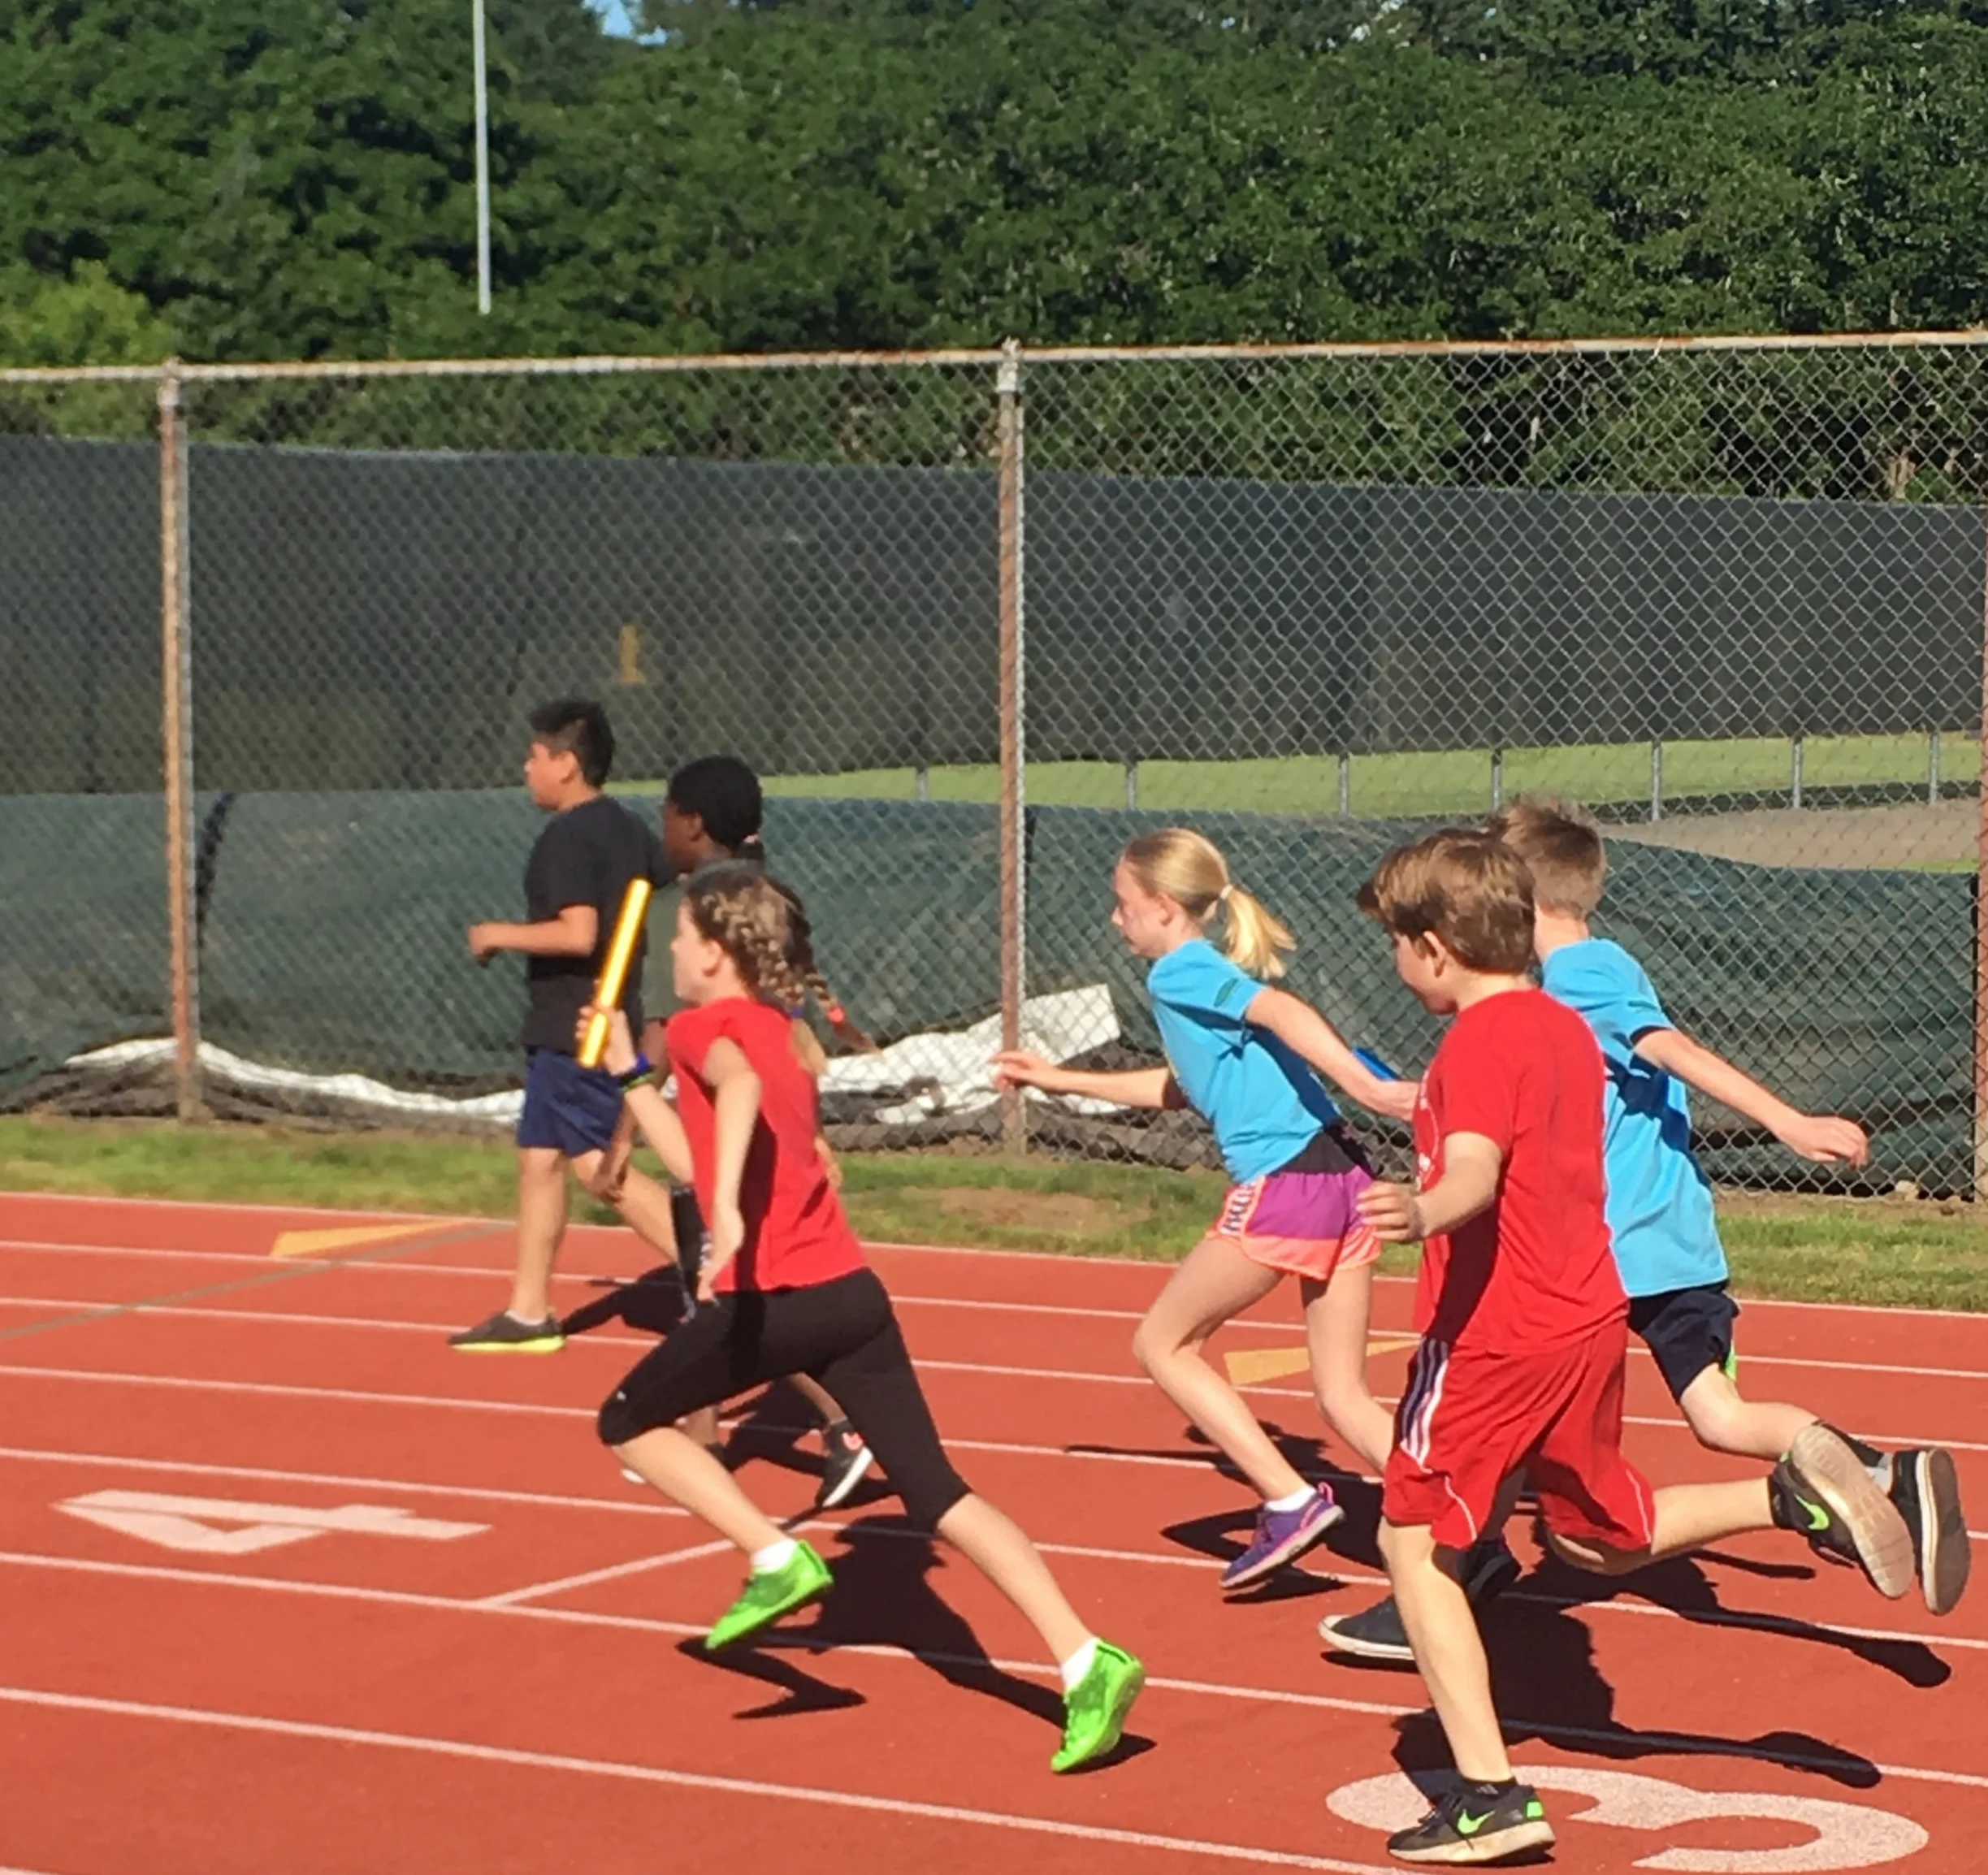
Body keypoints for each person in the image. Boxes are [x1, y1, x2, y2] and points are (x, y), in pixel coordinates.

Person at [1351, 829, 1924, 1865]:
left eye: (1395, 942)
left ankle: (1488, 1794)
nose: (1394, 960)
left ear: (1433, 948)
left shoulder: (1475, 1045)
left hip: (1493, 1335)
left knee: (1411, 1543)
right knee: (1590, 1536)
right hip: (1584, 1320)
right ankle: (1783, 1496)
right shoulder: (1562, 1027)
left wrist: (1422, 1209)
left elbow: (1474, 1171)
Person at [591, 864, 1146, 1773]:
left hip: (776, 1303)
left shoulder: (705, 1029)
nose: (672, 955)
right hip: (852, 1297)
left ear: (718, 952)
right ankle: (1087, 1656)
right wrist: (625, 1075)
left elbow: (724, 1109)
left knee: (626, 1421)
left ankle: (772, 1555)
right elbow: (717, 1134)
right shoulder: (782, 1031)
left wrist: (723, 1208)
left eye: (682, 940)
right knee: (938, 1492)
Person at [993, 828, 1418, 1590]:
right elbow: (1181, 1088)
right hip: (1346, 1177)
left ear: (1161, 907)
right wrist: (1056, 1080)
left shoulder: (1180, 974)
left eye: (1122, 906)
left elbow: (1281, 1011)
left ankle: (1288, 1499)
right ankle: (1457, 1519)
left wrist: (1370, 1086)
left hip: (1286, 1184)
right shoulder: (1194, 980)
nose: (1114, 920)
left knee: (1163, 1344)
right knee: (1343, 1394)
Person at [602, 754, 873, 1511]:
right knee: (720, 1289)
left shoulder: (690, 911)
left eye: (666, 816)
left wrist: (626, 1126)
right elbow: (787, 1033)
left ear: (691, 824)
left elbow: (667, 1034)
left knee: (740, 1291)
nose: (662, 830)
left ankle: (842, 1420)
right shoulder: (765, 896)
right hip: (767, 1119)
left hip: (721, 1131)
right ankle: (703, 1436)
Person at [451, 699, 679, 1352]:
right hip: (597, 1018)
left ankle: (718, 1276)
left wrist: (497, 934)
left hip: (579, 1026)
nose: (527, 768)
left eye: (535, 755)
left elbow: (578, 933)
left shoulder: (569, 837)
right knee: (540, 1159)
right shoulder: (631, 830)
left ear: (567, 763)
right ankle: (529, 1312)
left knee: (597, 1170)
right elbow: (658, 897)